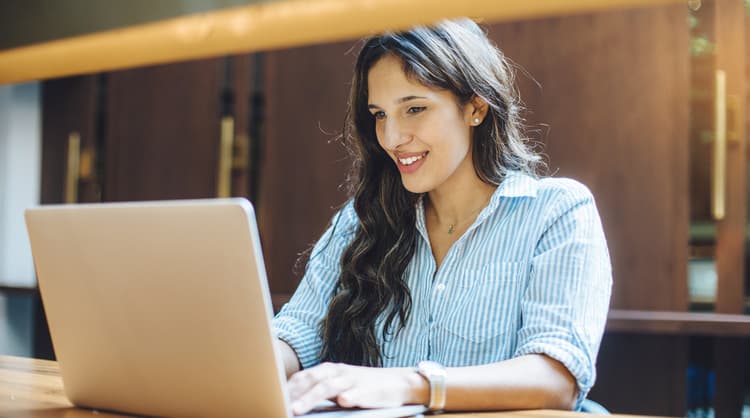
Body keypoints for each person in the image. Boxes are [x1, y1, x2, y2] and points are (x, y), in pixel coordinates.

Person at [272, 18, 612, 415]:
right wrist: (246, 368)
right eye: (379, 115)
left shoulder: (556, 211)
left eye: (414, 108)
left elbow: (556, 380)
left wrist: (408, 385)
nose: (393, 137)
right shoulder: (360, 221)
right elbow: (295, 334)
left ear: (475, 107)